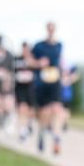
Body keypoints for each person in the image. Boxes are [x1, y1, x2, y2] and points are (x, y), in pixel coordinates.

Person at [27, 22, 65, 155]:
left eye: (53, 28)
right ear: (46, 29)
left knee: (57, 109)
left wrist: (64, 73)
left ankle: (56, 139)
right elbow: (29, 61)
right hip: (42, 83)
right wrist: (38, 63)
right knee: (45, 112)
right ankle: (42, 132)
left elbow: (61, 61)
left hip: (55, 81)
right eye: (49, 28)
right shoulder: (39, 46)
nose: (51, 31)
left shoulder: (59, 45)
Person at [13, 41, 36, 141]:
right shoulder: (17, 60)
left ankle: (29, 124)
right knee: (22, 108)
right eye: (24, 49)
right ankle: (22, 131)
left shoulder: (34, 60)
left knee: (30, 111)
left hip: (31, 88)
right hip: (20, 88)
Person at [60, 61, 80, 131]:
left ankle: (64, 123)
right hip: (65, 95)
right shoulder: (67, 76)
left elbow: (76, 76)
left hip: (65, 95)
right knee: (65, 110)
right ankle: (64, 123)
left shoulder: (67, 77)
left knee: (65, 110)